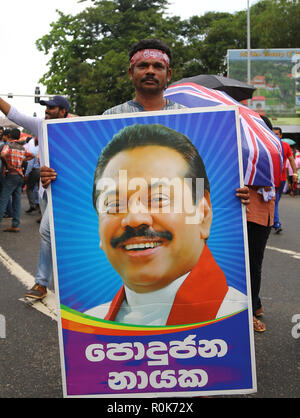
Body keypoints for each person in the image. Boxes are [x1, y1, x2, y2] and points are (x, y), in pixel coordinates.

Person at [85, 124, 247, 326]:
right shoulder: (89, 323)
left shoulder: (234, 317)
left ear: (202, 214)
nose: (135, 218)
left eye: (159, 198)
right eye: (114, 204)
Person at [0, 95, 70, 299]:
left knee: (47, 232)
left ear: (63, 112)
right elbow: (14, 114)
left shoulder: (76, 127)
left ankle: (42, 283)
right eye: (46, 107)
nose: (47, 110)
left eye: (52, 107)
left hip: (66, 193)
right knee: (52, 236)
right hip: (45, 192)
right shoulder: (42, 126)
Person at [0, 128, 34, 231]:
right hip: (20, 176)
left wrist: (8, 164)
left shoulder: (8, 145)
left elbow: (2, 154)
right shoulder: (22, 148)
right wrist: (22, 160)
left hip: (11, 175)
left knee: (3, 199)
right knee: (16, 201)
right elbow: (31, 155)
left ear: (10, 135)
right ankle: (15, 225)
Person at [272, 127, 298, 233]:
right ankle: (276, 223)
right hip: (270, 179)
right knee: (274, 200)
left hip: (281, 179)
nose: (275, 136)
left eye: (277, 134)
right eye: (273, 133)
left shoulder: (285, 146)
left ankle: (274, 222)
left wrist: (295, 173)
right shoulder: (268, 144)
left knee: (275, 200)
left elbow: (291, 160)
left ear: (281, 135)